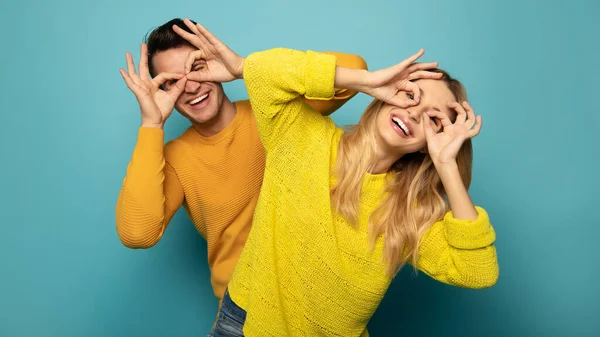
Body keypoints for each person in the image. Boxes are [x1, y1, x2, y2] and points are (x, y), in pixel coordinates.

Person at [175, 19, 499, 337]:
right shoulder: (300, 136)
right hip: (244, 322)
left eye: (432, 119)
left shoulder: (408, 213)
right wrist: (366, 80)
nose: (414, 113)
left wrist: (446, 164)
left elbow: (478, 270)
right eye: (411, 96)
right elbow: (263, 71)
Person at [115, 18, 367, 307]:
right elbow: (137, 233)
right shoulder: (175, 158)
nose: (190, 87)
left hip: (321, 297)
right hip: (245, 310)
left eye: (196, 69)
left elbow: (355, 70)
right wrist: (151, 124)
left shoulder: (273, 107)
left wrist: (245, 68)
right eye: (172, 82)